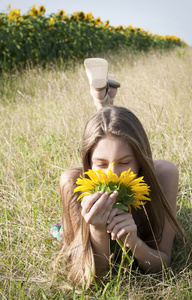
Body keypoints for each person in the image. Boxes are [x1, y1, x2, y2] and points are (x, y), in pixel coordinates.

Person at [56, 58, 189, 289]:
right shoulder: (73, 184)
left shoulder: (163, 175)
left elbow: (163, 264)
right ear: (88, 164)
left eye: (125, 162)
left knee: (113, 134)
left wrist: (134, 243)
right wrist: (97, 230)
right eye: (100, 164)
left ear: (140, 161)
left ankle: (105, 105)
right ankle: (104, 106)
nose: (112, 175)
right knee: (107, 134)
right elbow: (92, 281)